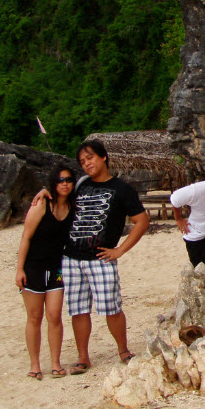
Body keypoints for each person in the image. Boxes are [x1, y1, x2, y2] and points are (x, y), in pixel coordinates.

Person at [56, 140, 149, 374]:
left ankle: (123, 351)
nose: (87, 164)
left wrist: (120, 250)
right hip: (71, 257)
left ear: (103, 157)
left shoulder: (122, 189)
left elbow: (141, 221)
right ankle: (83, 357)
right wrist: (44, 191)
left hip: (101, 258)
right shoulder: (80, 186)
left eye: (90, 158)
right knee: (78, 309)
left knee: (111, 306)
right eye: (82, 161)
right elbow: (58, 196)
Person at [15, 165, 76, 380]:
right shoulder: (42, 204)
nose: (64, 184)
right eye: (60, 180)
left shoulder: (73, 206)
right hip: (33, 267)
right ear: (53, 183)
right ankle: (35, 365)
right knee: (34, 317)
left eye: (68, 180)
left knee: (54, 316)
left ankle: (56, 363)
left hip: (57, 269)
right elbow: (26, 237)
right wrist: (19, 269)